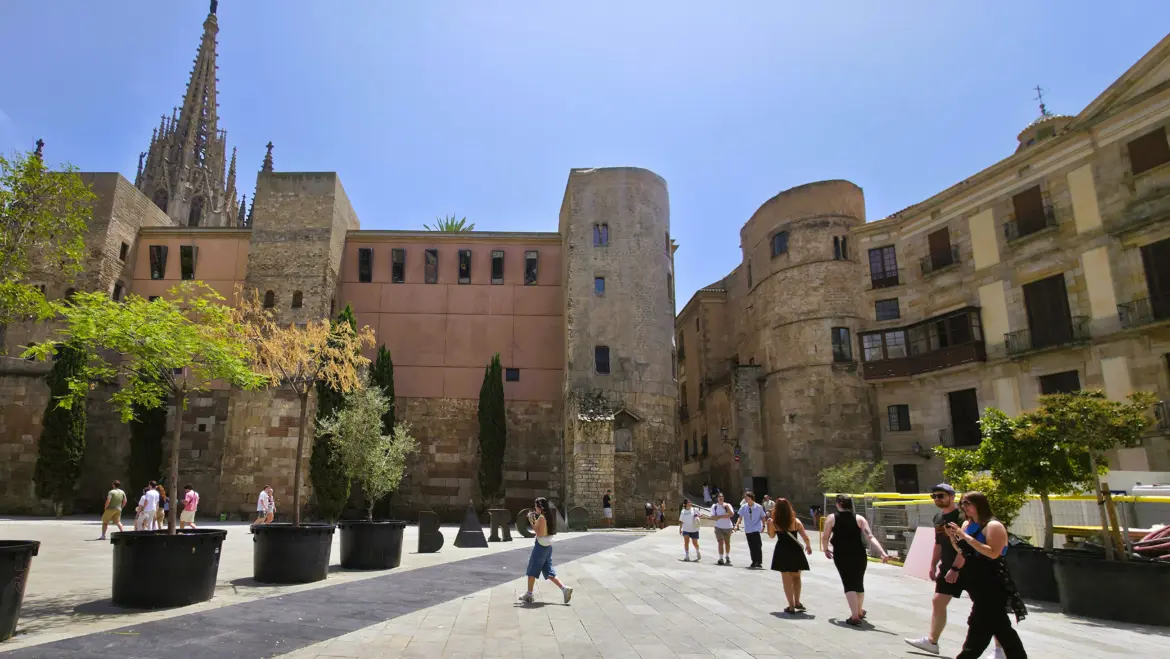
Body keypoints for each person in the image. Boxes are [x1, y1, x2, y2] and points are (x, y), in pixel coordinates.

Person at [945, 491, 1028, 659]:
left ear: (979, 504)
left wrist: (965, 537)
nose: (964, 507)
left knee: (981, 625)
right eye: (962, 504)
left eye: (968, 503)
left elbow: (993, 553)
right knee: (1000, 627)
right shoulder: (968, 524)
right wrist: (954, 538)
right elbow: (965, 551)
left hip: (992, 580)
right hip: (976, 580)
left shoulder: (993, 526)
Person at [906, 483, 969, 655]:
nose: (937, 499)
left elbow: (966, 547)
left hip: (968, 567)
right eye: (934, 496)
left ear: (951, 496)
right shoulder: (938, 518)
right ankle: (932, 642)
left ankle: (1001, 649)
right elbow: (938, 543)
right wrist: (933, 564)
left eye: (940, 496)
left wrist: (956, 568)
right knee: (938, 601)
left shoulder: (962, 518)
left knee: (985, 606)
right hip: (948, 566)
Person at [820, 494, 890, 625]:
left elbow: (825, 536)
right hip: (859, 554)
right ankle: (858, 611)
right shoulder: (859, 518)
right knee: (858, 582)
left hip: (841, 554)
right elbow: (870, 536)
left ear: (838, 504)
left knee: (848, 583)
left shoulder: (832, 518)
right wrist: (882, 552)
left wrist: (825, 549)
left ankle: (855, 616)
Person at [519, 497, 573, 605]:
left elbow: (539, 533)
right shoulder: (547, 517)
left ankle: (529, 594)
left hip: (541, 547)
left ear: (540, 507)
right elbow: (542, 530)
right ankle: (564, 589)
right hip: (547, 546)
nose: (535, 508)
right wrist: (534, 520)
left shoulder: (542, 518)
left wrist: (531, 521)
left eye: (536, 506)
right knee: (548, 571)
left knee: (532, 569)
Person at [767, 497, 811, 614]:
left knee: (786, 580)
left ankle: (791, 606)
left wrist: (768, 526)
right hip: (796, 551)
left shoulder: (774, 522)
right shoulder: (796, 521)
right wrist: (808, 546)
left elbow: (771, 536)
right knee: (796, 577)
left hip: (782, 551)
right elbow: (805, 536)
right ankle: (797, 601)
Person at [734, 490, 766, 568]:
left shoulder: (758, 507)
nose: (746, 499)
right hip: (748, 529)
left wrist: (763, 526)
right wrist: (737, 525)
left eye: (747, 497)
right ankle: (754, 561)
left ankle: (758, 561)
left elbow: (763, 517)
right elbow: (740, 517)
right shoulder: (744, 507)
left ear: (751, 498)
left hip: (756, 528)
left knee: (758, 545)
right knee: (751, 546)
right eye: (745, 497)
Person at [710, 492, 735, 566]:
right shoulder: (714, 506)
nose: (721, 498)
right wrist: (724, 515)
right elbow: (713, 517)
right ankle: (721, 558)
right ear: (717, 498)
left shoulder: (728, 505)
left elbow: (731, 514)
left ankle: (727, 555)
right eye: (719, 497)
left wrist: (727, 507)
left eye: (722, 496)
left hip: (728, 527)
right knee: (720, 542)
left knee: (727, 543)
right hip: (718, 527)